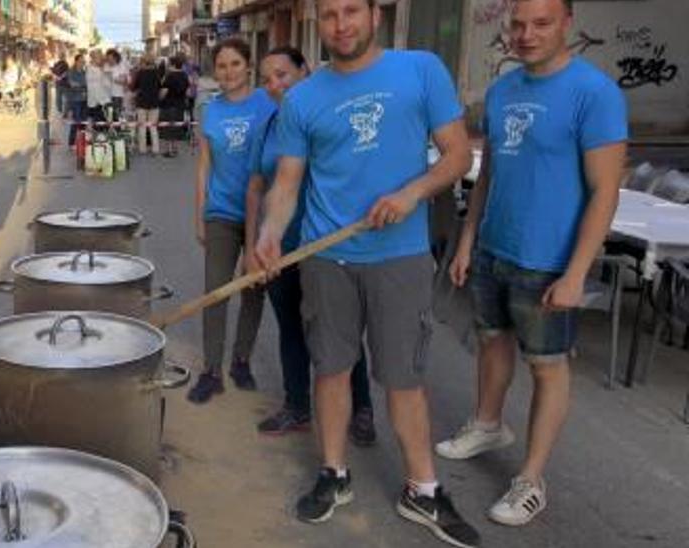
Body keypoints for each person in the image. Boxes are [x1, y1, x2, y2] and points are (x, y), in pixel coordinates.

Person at [251, 0, 479, 545]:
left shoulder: (420, 69)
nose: (341, 24)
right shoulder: (303, 98)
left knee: (403, 376)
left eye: (352, 10)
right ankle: (335, 475)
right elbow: (287, 181)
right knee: (330, 369)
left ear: (375, 15)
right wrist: (269, 232)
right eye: (329, 15)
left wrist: (410, 193)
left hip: (399, 256)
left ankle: (422, 490)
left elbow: (456, 157)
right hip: (327, 257)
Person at [437, 0, 627, 527]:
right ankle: (489, 423)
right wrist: (468, 240)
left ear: (567, 23)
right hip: (496, 247)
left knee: (547, 366)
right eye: (517, 24)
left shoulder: (595, 94)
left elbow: (605, 192)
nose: (526, 35)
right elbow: (489, 175)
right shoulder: (502, 91)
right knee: (490, 339)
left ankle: (531, 478)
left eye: (541, 23)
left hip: (549, 260)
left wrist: (575, 272)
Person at [247, 46, 377, 445]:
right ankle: (297, 406)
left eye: (282, 75)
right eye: (267, 79)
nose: (275, 85)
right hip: (280, 247)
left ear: (305, 71)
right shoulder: (269, 127)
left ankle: (362, 409)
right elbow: (256, 187)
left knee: (340, 335)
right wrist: (254, 245)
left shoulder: (331, 117)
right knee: (290, 328)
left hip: (327, 245)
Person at [185, 38, 275, 404]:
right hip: (221, 212)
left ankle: (242, 359)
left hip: (263, 212)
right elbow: (204, 166)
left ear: (248, 66)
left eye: (235, 64)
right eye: (222, 66)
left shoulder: (268, 105)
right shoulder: (211, 110)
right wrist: (199, 214)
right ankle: (211, 370)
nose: (228, 72)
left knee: (254, 289)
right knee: (215, 292)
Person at [158, 54, 190, 158]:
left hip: (169, 105)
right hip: (180, 105)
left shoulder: (169, 76)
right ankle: (175, 149)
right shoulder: (185, 75)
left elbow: (164, 92)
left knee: (167, 128)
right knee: (176, 127)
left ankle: (168, 150)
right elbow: (188, 92)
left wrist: (159, 99)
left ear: (172, 64)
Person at [132, 54, 163, 156]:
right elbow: (160, 87)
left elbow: (133, 87)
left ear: (143, 62)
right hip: (154, 103)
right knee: (153, 127)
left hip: (142, 103)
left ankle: (143, 149)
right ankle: (155, 148)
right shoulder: (157, 73)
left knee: (142, 127)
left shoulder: (140, 73)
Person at [65, 53, 88, 146]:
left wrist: (81, 86)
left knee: (83, 122)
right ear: (76, 61)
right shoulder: (71, 72)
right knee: (76, 122)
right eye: (81, 61)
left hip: (84, 99)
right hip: (75, 100)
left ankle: (82, 142)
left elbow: (86, 85)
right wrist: (82, 86)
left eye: (83, 61)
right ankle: (72, 143)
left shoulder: (84, 72)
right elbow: (72, 84)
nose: (82, 63)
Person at [85, 50, 110, 125]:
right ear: (93, 58)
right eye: (99, 57)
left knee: (104, 125)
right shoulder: (89, 69)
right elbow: (92, 87)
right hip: (95, 102)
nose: (101, 59)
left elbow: (108, 84)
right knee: (94, 125)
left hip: (104, 101)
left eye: (101, 57)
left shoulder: (103, 69)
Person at [105, 49, 127, 120]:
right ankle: (111, 129)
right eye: (108, 58)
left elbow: (124, 81)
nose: (109, 60)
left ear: (116, 58)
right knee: (109, 115)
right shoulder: (106, 66)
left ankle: (118, 129)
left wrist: (113, 78)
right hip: (107, 95)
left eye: (111, 58)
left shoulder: (121, 67)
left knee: (117, 114)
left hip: (117, 95)